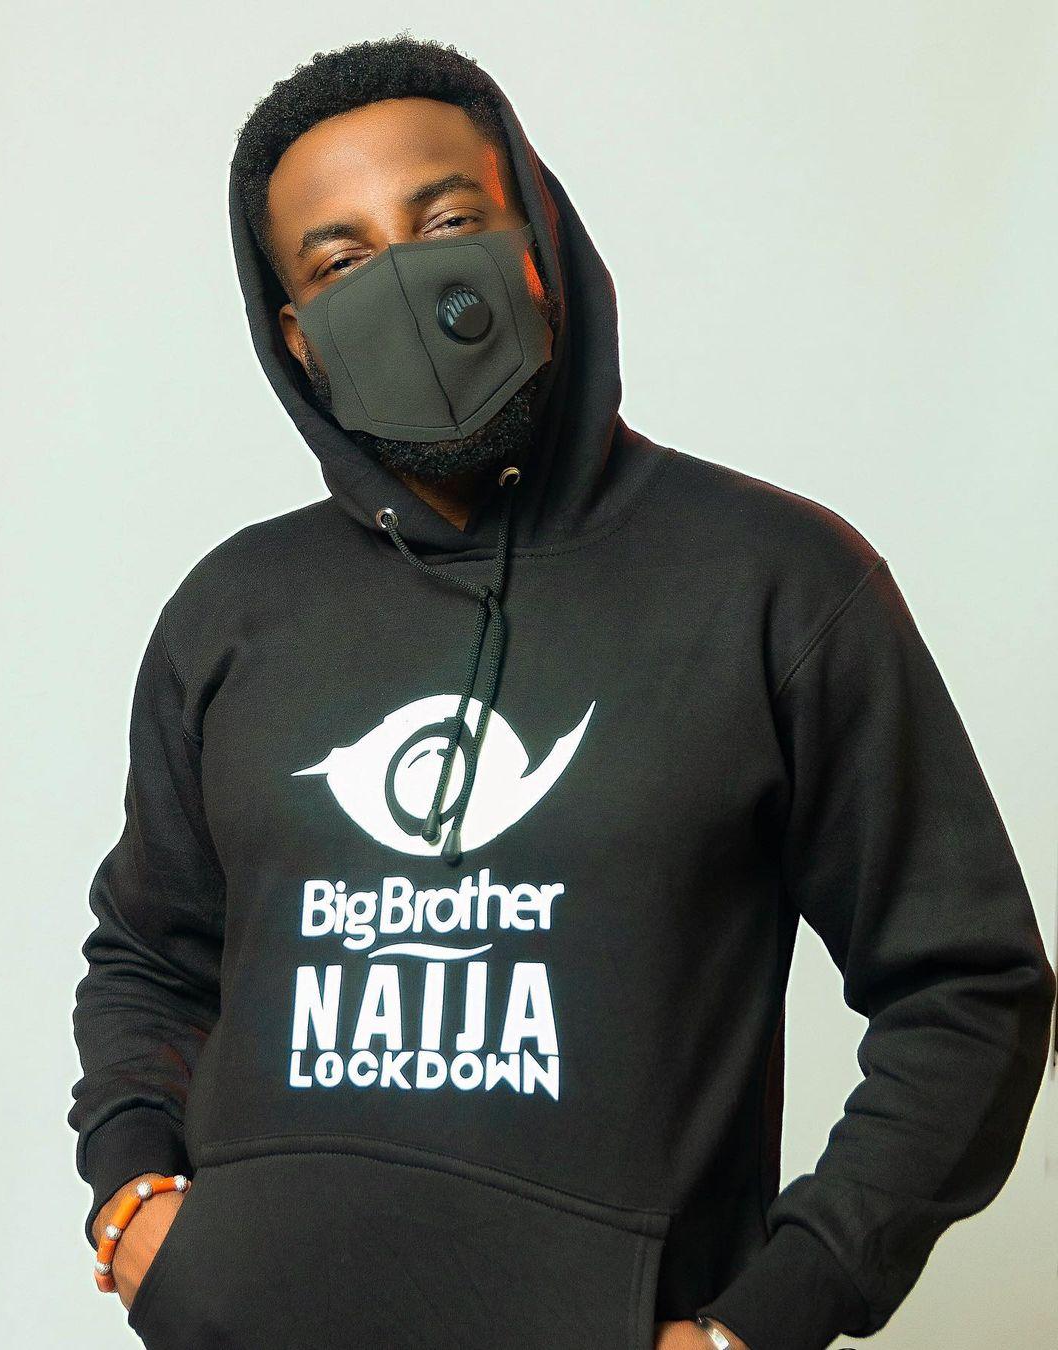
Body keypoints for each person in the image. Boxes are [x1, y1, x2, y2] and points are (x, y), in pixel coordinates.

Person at [67, 32, 1056, 1350]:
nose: (402, 280)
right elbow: (148, 954)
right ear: (296, 337)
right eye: (339, 260)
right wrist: (133, 1199)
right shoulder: (234, 610)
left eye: (446, 221)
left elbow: (969, 988)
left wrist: (773, 1313)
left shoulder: (773, 582)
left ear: (535, 235)